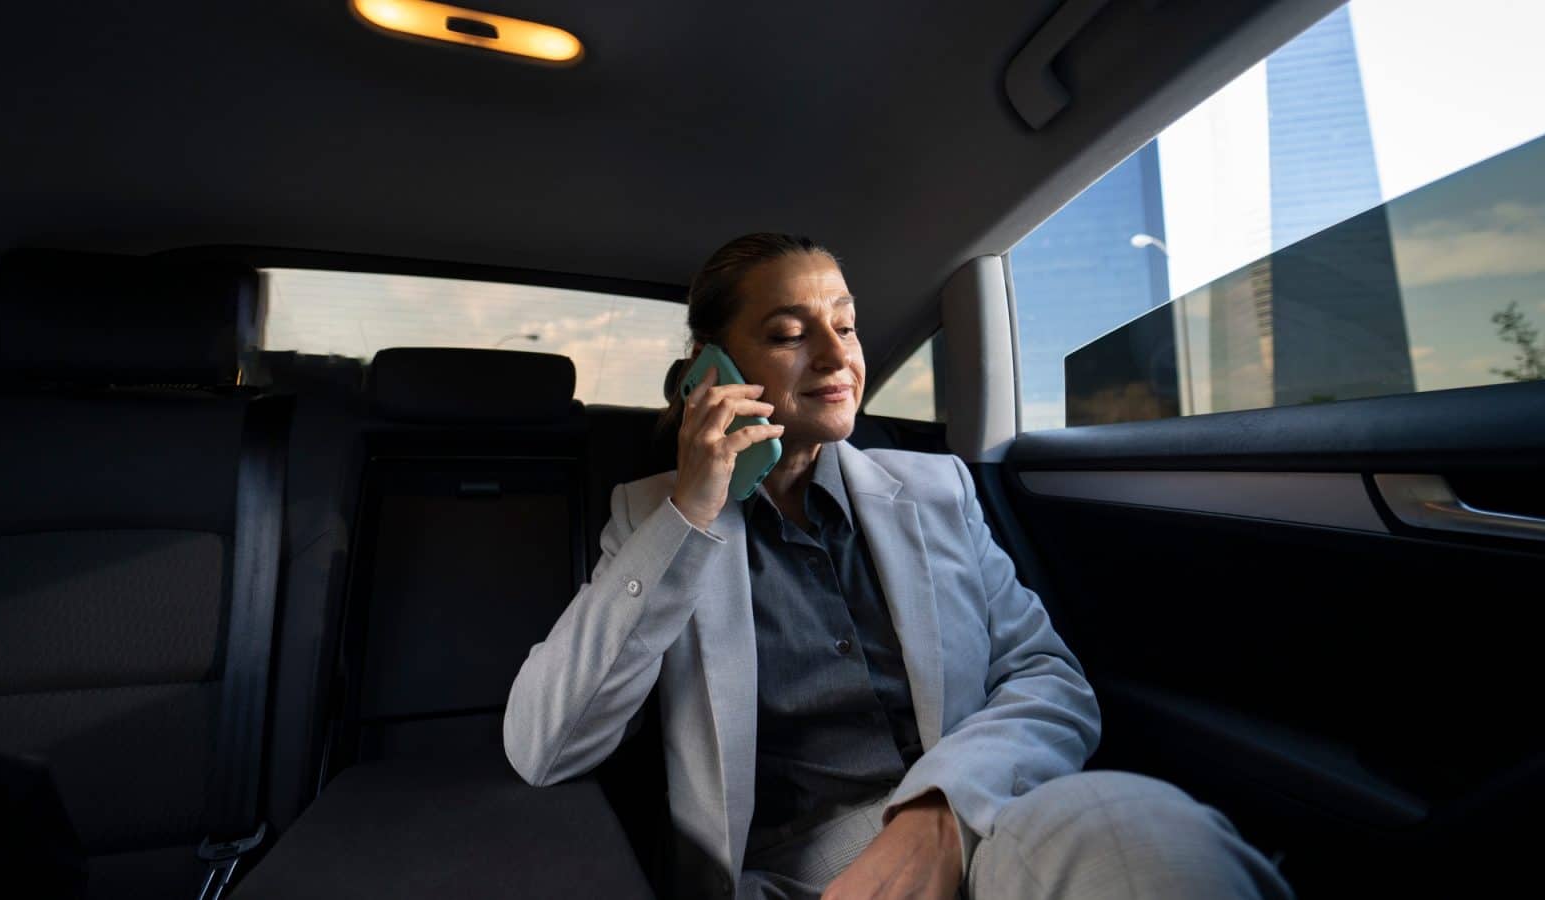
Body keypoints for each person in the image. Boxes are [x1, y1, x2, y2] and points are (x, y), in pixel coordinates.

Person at [504, 234, 1291, 899]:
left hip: (982, 822)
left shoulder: (939, 488)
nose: (836, 354)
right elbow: (545, 746)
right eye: (789, 334)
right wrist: (691, 509)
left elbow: (1048, 679)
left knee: (1145, 831)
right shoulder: (653, 519)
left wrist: (939, 810)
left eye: (845, 326)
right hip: (790, 879)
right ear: (709, 369)